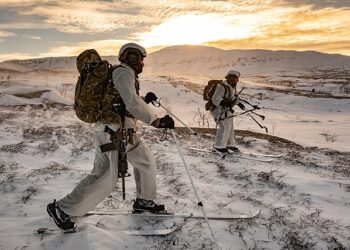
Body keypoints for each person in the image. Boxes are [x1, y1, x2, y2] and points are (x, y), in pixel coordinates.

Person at [47, 43, 175, 230]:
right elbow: (130, 102)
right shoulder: (123, 72)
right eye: (140, 57)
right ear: (130, 56)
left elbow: (123, 100)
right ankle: (62, 209)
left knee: (146, 162)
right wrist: (156, 121)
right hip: (114, 132)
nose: (142, 62)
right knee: (105, 176)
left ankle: (144, 201)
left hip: (122, 131)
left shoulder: (122, 73)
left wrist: (144, 100)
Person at [210, 70, 245, 154]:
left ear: (237, 79)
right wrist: (224, 103)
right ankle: (218, 146)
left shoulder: (232, 86)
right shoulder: (221, 86)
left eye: (235, 78)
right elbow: (215, 99)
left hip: (226, 109)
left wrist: (239, 104)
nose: (233, 79)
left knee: (230, 127)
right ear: (227, 77)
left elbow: (233, 97)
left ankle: (230, 144)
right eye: (231, 77)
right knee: (223, 127)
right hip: (218, 110)